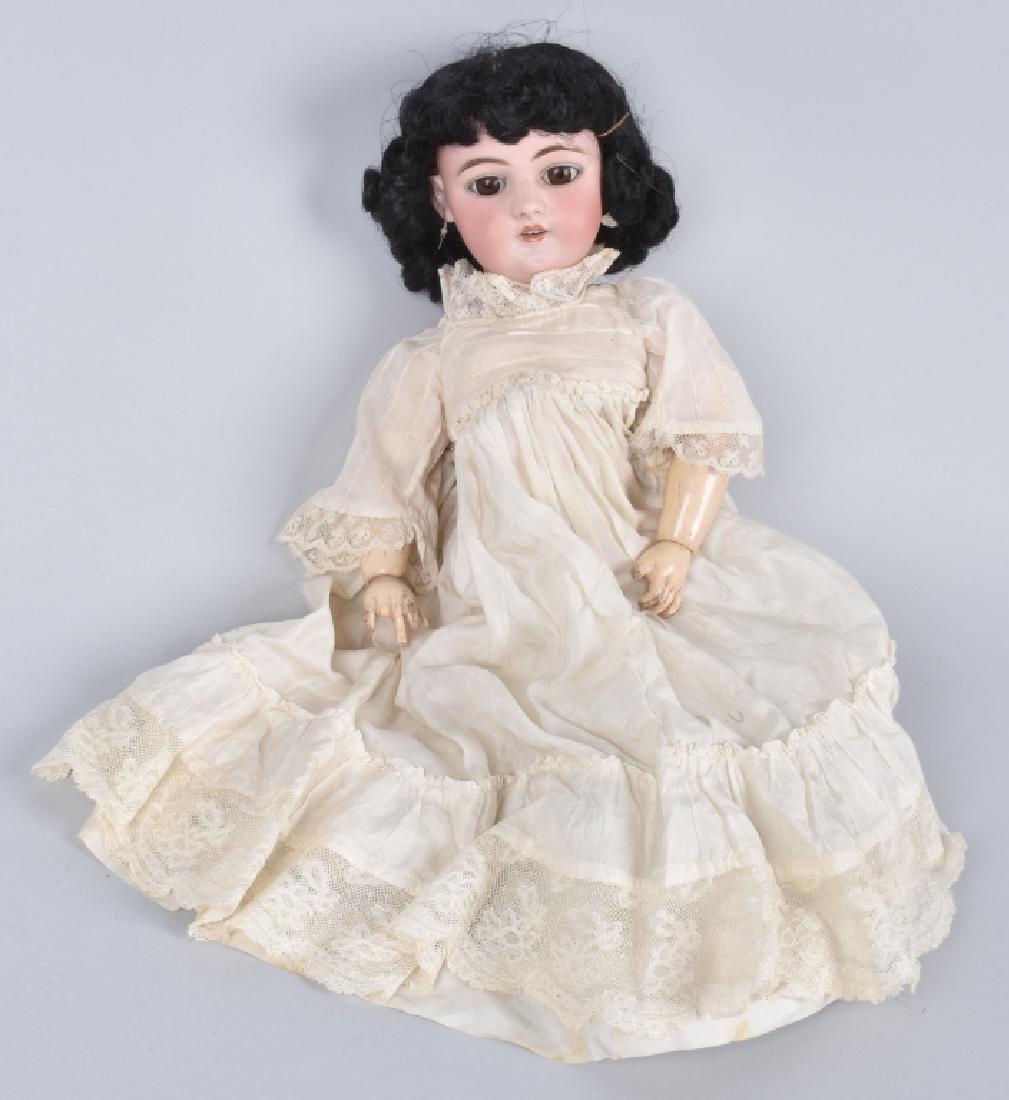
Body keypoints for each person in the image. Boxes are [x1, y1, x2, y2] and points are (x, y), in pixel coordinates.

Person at [30, 38, 966, 1063]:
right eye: (487, 183)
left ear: (610, 181)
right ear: (440, 204)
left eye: (559, 172)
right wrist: (383, 574)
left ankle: (691, 938)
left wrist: (676, 540)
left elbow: (701, 438)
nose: (528, 206)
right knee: (502, 726)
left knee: (694, 716)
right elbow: (381, 482)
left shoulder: (648, 316)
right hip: (509, 588)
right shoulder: (435, 359)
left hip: (631, 563)